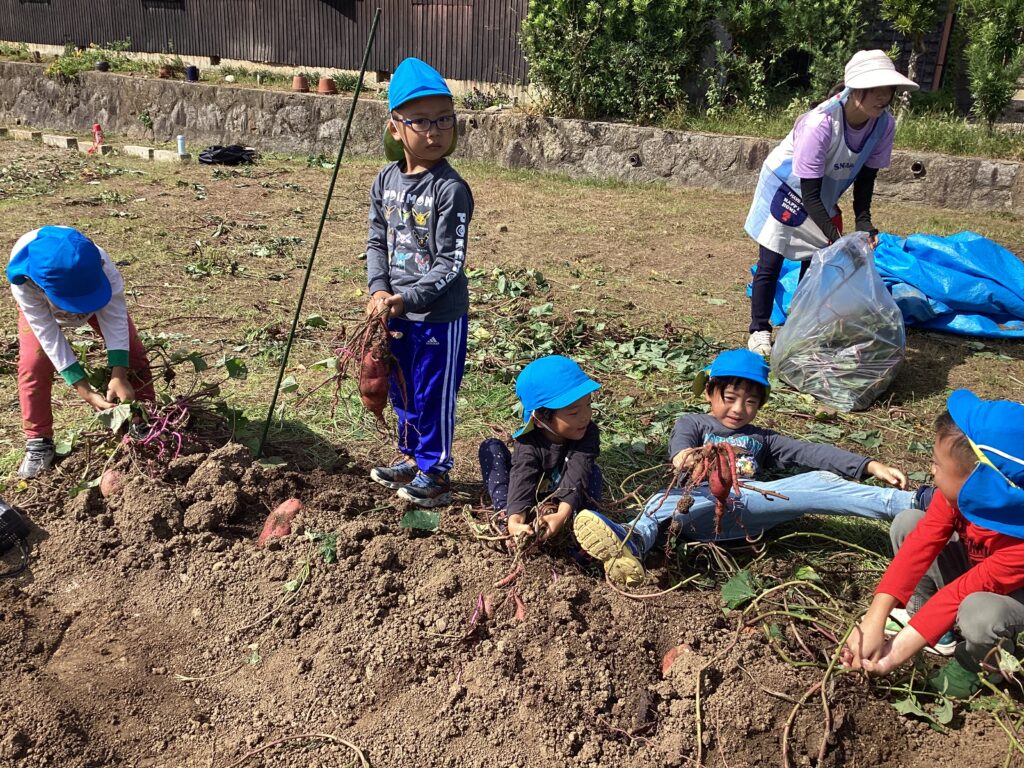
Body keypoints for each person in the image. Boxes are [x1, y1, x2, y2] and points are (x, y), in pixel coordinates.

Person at [573, 349, 924, 586]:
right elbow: (680, 449)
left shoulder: (762, 439)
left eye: (751, 402)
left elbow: (811, 452)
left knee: (818, 479)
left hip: (747, 506)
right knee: (658, 501)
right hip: (694, 508)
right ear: (709, 393)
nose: (739, 409)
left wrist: (869, 465)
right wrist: (689, 458)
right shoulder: (693, 423)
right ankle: (633, 540)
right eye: (730, 398)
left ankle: (910, 502)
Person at [842, 391, 1024, 698]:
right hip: (977, 575)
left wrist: (893, 655)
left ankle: (977, 663)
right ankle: (935, 628)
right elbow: (922, 543)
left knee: (981, 614)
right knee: (909, 524)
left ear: (978, 486)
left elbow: (963, 592)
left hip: (1009, 598)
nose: (932, 470)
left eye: (938, 465)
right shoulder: (957, 497)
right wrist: (875, 617)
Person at [744, 49, 918, 356]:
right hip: (786, 187)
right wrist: (836, 237)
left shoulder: (883, 125)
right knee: (772, 259)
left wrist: (864, 223)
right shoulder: (820, 124)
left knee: (815, 263)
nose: (883, 97)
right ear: (856, 88)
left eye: (888, 89)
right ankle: (759, 329)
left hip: (822, 193)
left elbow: (866, 178)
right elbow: (808, 194)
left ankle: (798, 327)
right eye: (875, 89)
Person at [364, 57, 473, 508]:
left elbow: (450, 263)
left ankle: (437, 471)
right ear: (395, 127)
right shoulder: (385, 181)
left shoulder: (450, 189)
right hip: (395, 310)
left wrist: (406, 298)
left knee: (432, 393)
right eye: (422, 121)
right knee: (402, 387)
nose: (435, 132)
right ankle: (412, 457)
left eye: (444, 119)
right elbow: (376, 241)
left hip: (437, 316)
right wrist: (378, 289)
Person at [7, 226, 154, 478]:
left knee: (134, 353)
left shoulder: (101, 265)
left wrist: (119, 374)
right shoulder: (25, 281)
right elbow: (48, 336)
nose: (76, 315)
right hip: (43, 312)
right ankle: (38, 440)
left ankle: (144, 420)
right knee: (33, 365)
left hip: (97, 299)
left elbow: (115, 319)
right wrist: (84, 390)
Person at [478, 355, 603, 544]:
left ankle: (581, 528)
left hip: (565, 495)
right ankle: (507, 520)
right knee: (491, 448)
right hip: (528, 494)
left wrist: (562, 514)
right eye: (574, 412)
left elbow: (578, 471)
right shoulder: (528, 443)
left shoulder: (588, 432)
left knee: (593, 472)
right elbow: (522, 478)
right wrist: (516, 518)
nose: (586, 416)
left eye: (588, 405)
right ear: (540, 418)